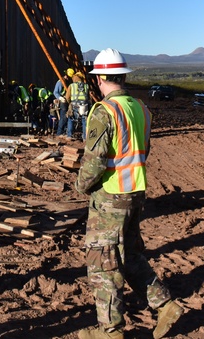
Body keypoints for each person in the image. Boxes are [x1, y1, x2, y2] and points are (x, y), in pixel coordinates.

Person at [75, 48, 183, 339]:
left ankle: (110, 330)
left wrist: (80, 186)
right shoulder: (140, 108)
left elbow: (95, 162)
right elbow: (142, 150)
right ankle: (165, 305)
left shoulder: (104, 111)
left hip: (110, 198)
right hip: (135, 192)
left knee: (102, 265)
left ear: (99, 80)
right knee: (131, 255)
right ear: (122, 76)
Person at [67, 71, 92, 140]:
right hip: (84, 105)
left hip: (74, 104)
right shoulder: (86, 85)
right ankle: (85, 137)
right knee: (84, 120)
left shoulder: (71, 85)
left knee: (71, 118)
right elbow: (88, 96)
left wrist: (69, 102)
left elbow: (67, 96)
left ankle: (69, 135)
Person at [54, 68, 73, 135]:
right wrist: (60, 98)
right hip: (63, 101)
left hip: (68, 101)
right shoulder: (60, 82)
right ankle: (59, 133)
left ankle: (65, 132)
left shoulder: (69, 83)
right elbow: (55, 92)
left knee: (69, 116)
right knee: (63, 117)